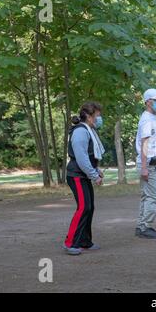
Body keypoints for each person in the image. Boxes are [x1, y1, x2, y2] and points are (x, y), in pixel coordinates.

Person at [63, 102, 105, 256]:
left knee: (89, 207)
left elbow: (89, 156)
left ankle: (85, 241)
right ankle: (70, 242)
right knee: (84, 208)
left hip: (82, 175)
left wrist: (96, 170)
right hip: (76, 176)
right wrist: (94, 175)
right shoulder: (81, 132)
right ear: (88, 116)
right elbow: (81, 158)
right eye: (97, 115)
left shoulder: (88, 130)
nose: (99, 118)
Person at [135, 88, 156, 239]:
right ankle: (145, 226)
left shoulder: (152, 117)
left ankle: (141, 226)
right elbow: (144, 143)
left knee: (146, 196)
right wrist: (145, 168)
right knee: (154, 197)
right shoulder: (147, 119)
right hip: (148, 164)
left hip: (149, 163)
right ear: (148, 102)